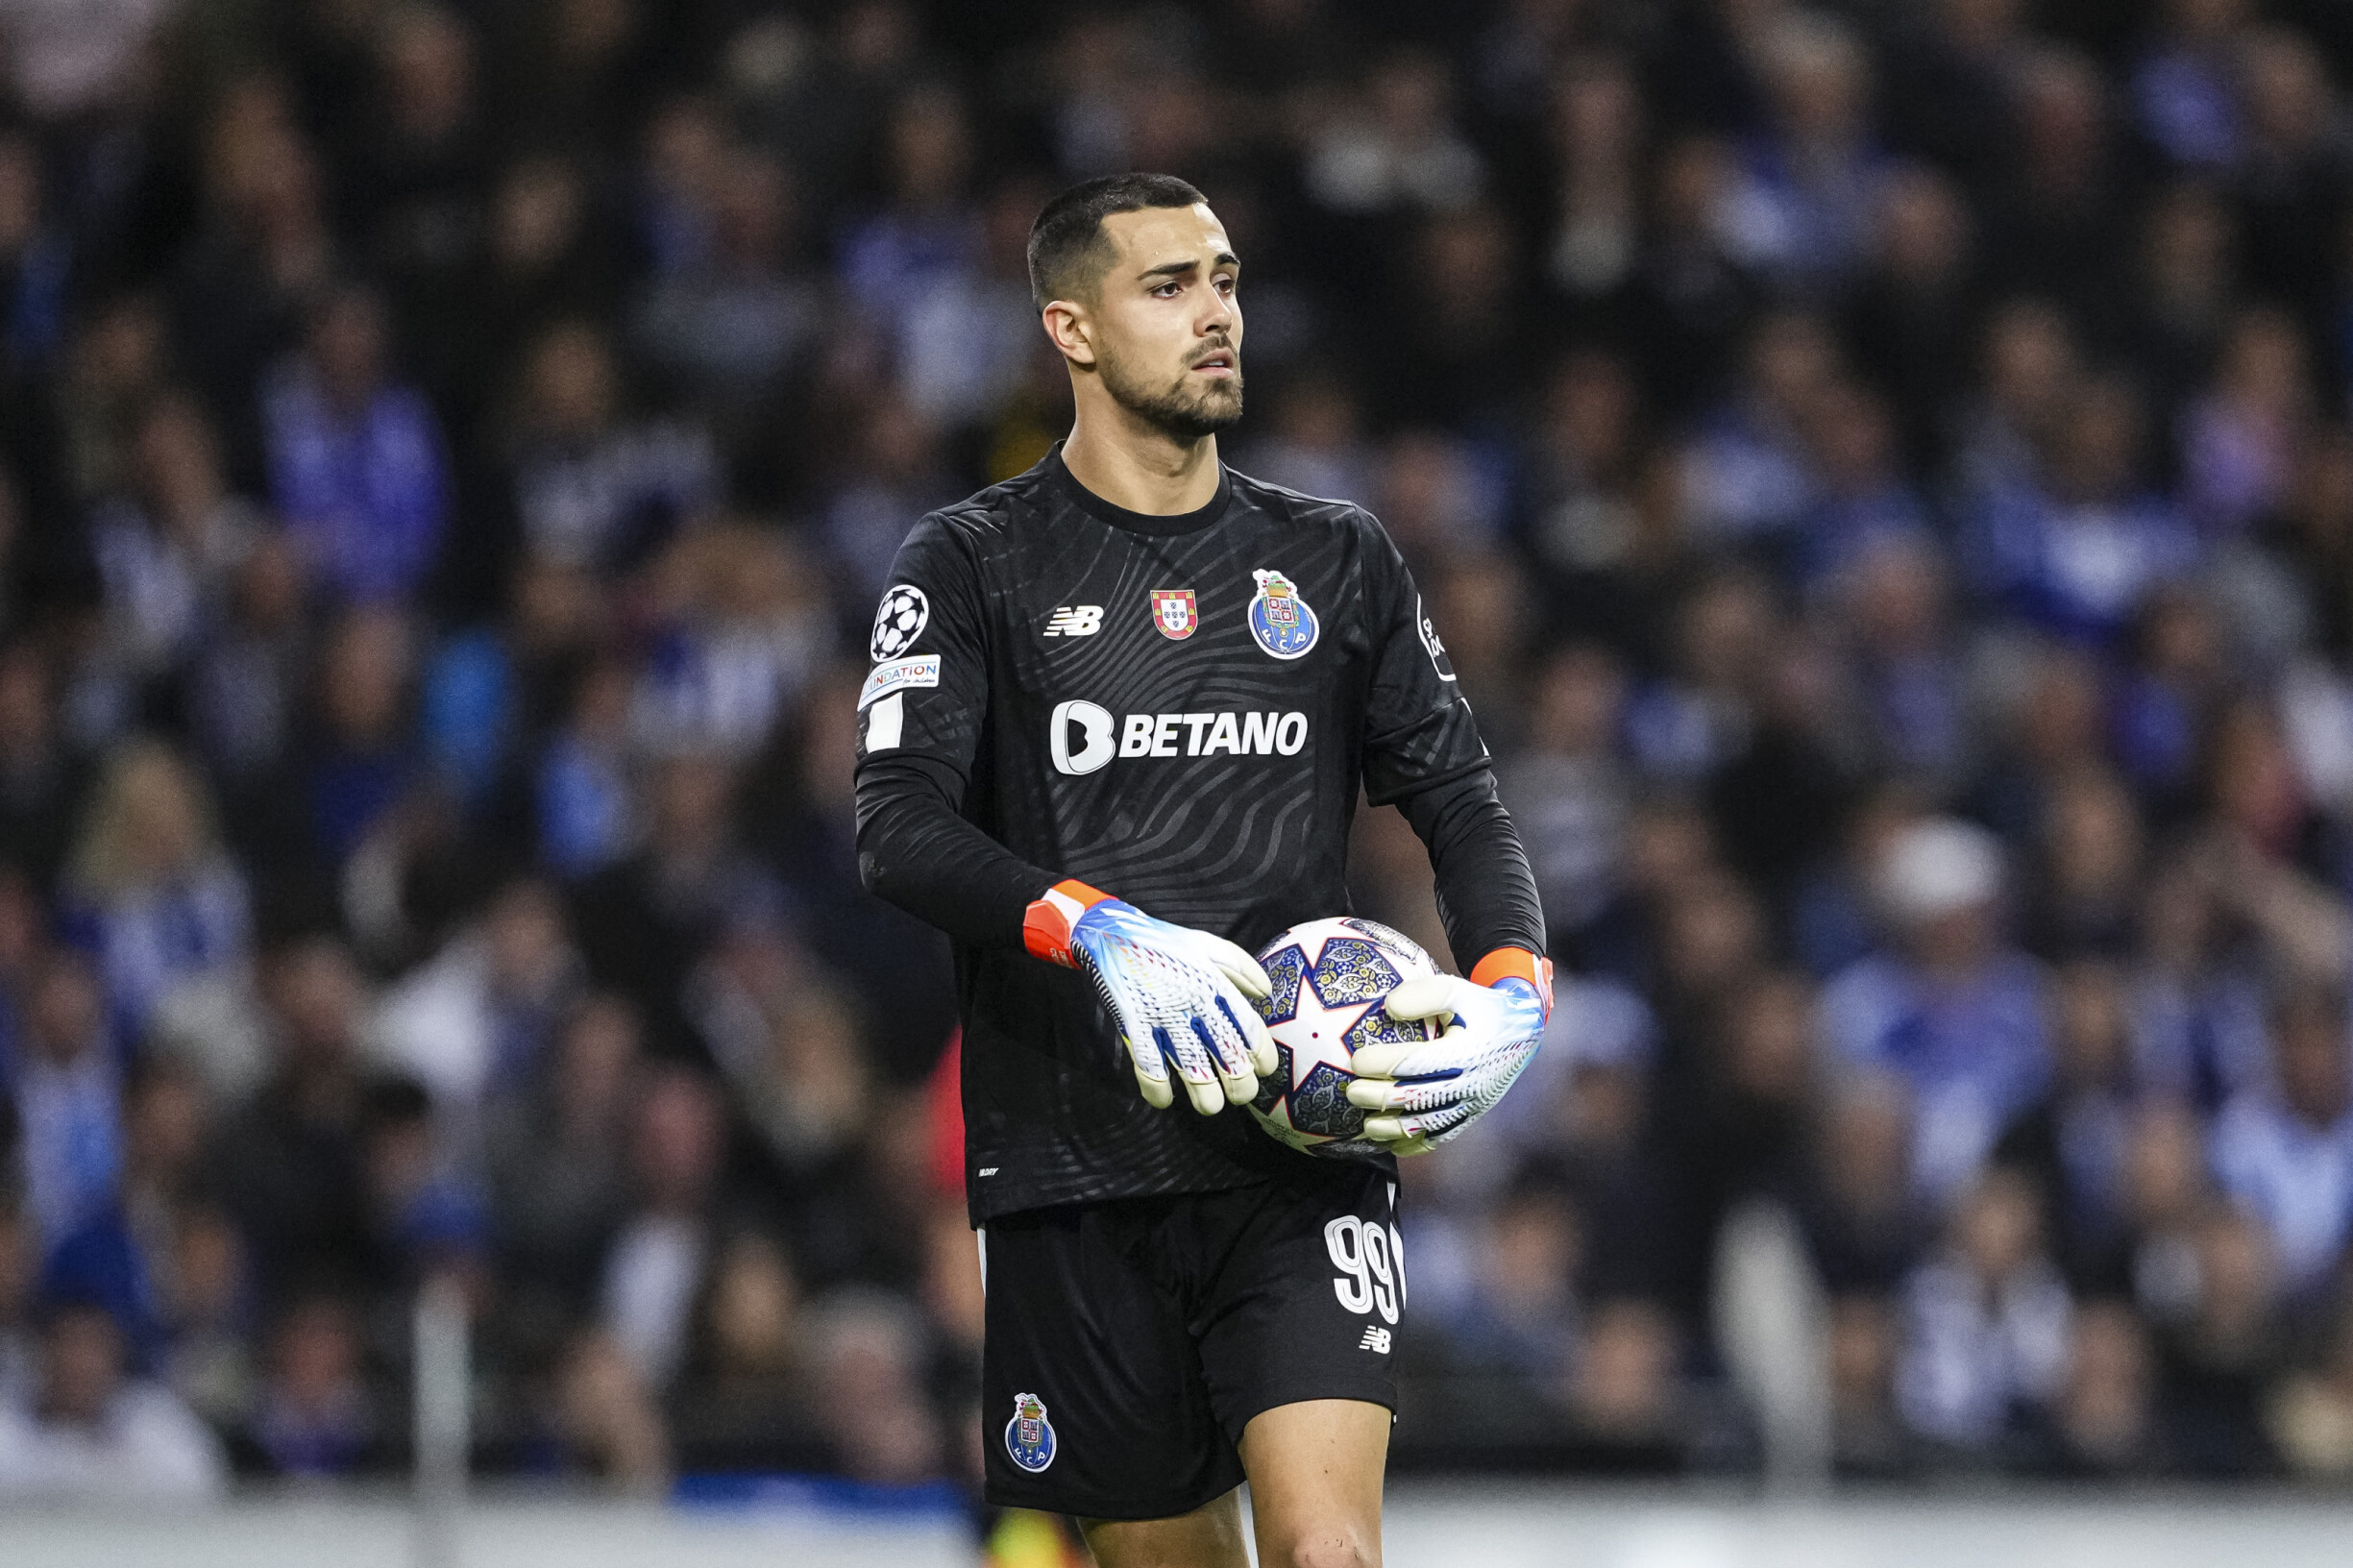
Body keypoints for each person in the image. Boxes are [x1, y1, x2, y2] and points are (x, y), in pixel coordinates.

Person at [854, 173, 1551, 1567]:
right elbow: (898, 826)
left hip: (1300, 1148)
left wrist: (1514, 990)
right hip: (1071, 1159)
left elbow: (1460, 801)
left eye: (1224, 279)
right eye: (1167, 287)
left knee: (1325, 1554)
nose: (1216, 314)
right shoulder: (970, 561)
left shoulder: (1332, 557)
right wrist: (1094, 931)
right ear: (1075, 330)